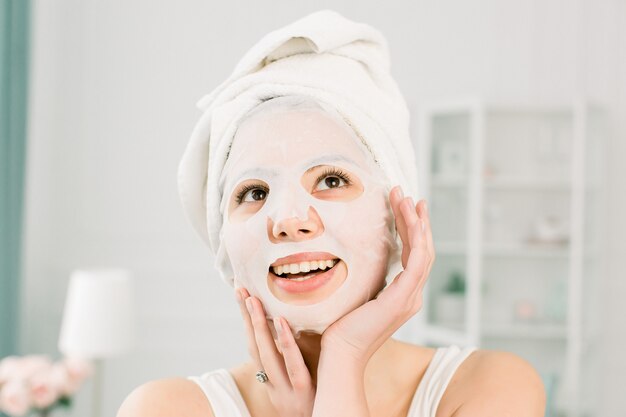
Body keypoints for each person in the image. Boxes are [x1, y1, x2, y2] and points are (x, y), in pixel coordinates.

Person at [117, 10, 546, 417]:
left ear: (398, 220)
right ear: (223, 244)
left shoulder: (490, 387)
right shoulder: (164, 408)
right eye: (254, 191)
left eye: (332, 180)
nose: (288, 220)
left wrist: (346, 357)